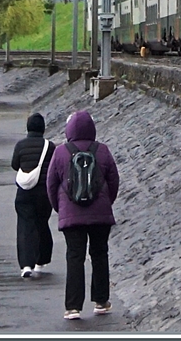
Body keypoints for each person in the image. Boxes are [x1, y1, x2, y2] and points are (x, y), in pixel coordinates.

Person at [45, 109, 119, 320]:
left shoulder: (60, 152)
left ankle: (73, 307)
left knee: (74, 257)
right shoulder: (102, 150)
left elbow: (51, 184)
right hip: (100, 214)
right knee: (99, 254)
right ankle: (101, 300)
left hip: (71, 214)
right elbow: (113, 181)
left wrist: (61, 208)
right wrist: (106, 202)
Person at [10, 113, 55, 279]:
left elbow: (15, 165)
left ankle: (26, 265)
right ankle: (42, 259)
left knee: (25, 227)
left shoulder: (20, 145)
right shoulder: (50, 146)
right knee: (42, 223)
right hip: (44, 193)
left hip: (24, 192)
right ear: (43, 128)